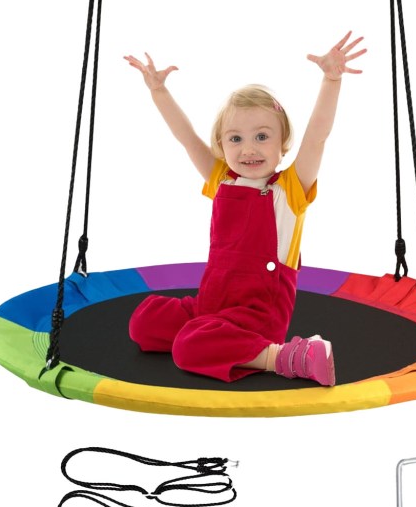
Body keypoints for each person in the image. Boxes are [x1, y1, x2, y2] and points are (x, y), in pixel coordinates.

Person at [125, 32, 365, 386]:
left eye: (262, 136)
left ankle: (285, 356)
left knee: (188, 348)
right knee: (145, 321)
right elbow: (187, 137)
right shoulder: (222, 178)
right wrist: (159, 92)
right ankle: (214, 337)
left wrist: (331, 80)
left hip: (257, 316)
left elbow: (317, 136)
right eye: (235, 138)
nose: (248, 149)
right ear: (222, 145)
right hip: (211, 305)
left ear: (283, 144)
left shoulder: (289, 190)